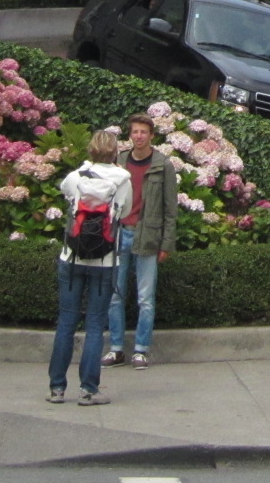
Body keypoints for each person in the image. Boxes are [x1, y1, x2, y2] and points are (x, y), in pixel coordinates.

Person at [48, 131, 133, 406]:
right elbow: (126, 212)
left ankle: (57, 388)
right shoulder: (123, 180)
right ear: (115, 152)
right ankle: (88, 390)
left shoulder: (76, 177)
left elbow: (64, 192)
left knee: (66, 321)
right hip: (105, 262)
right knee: (95, 325)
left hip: (72, 258)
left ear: (91, 150)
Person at [102, 114, 177, 371]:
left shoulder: (162, 165)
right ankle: (116, 349)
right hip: (120, 234)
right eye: (135, 131)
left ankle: (141, 350)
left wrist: (166, 244)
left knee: (145, 298)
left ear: (151, 136)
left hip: (148, 236)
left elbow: (170, 209)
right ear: (130, 135)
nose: (139, 136)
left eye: (144, 132)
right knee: (115, 295)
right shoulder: (120, 161)